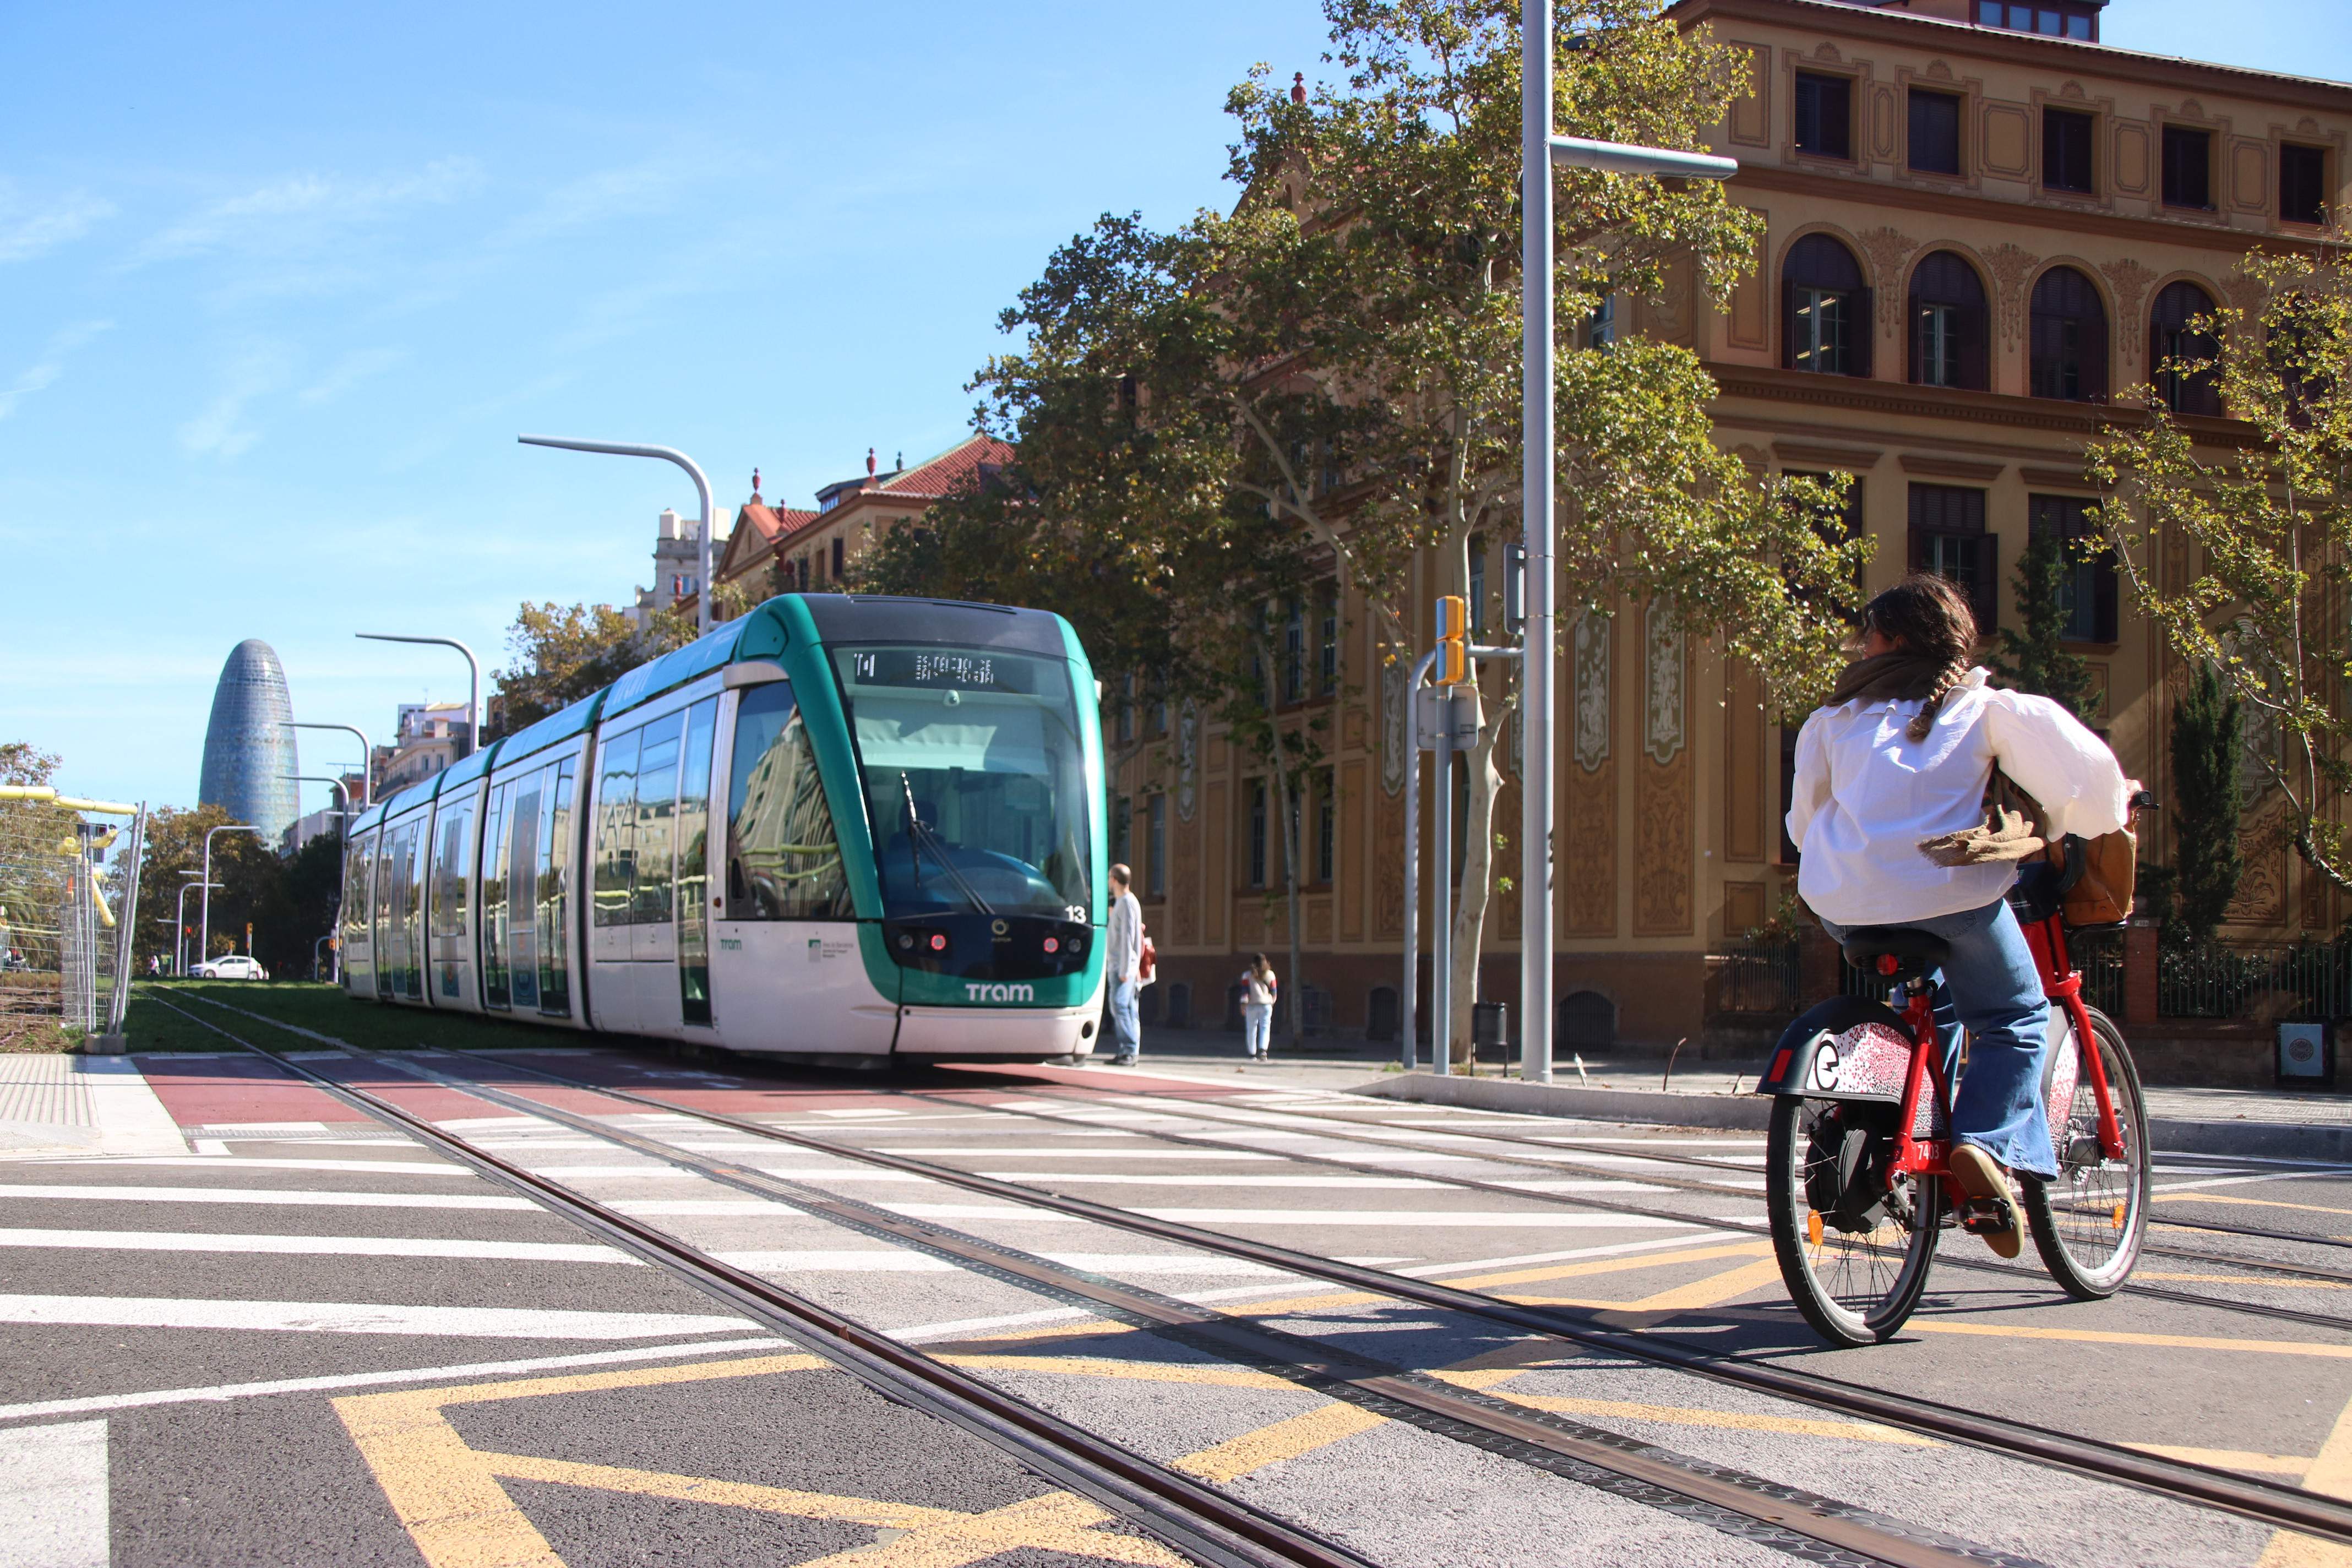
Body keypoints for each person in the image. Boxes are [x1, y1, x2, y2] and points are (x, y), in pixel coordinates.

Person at [1784, 573, 2129, 1258]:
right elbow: (2084, 783)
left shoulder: (1833, 721)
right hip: (1955, 901)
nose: (1859, 647)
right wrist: (2116, 802)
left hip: (1845, 906)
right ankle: (1983, 1148)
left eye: (1869, 634)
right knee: (2015, 1017)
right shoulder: (1987, 709)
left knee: (1928, 1001)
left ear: (1897, 641)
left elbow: (1801, 826)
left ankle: (1910, 1125)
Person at [1104, 863, 1143, 1066]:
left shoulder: (1127, 902)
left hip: (1123, 966)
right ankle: (1127, 1051)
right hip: (1119, 965)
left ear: (1115, 880)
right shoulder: (1122, 902)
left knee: (1120, 1006)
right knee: (1126, 1008)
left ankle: (1129, 1049)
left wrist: (1126, 969)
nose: (1109, 882)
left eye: (1110, 877)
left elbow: (1128, 937)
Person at [1239, 954, 1278, 1060]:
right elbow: (1274, 991)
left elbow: (1245, 992)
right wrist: (1272, 1002)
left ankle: (1252, 1054)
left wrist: (1243, 1005)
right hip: (1266, 1005)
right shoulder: (1271, 975)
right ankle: (1263, 1051)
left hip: (1251, 1005)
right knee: (1265, 1028)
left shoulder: (1247, 975)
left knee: (1251, 1029)